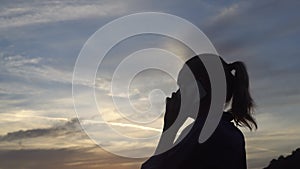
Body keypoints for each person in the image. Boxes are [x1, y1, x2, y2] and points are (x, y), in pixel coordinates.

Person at [141, 55, 257, 169]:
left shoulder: (203, 132)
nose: (176, 93)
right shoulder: (229, 131)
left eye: (182, 86)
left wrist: (170, 128)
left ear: (200, 87)